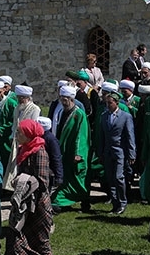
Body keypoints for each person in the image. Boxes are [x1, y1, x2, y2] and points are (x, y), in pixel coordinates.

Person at [0, 121, 54, 255]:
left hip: (38, 207)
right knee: (16, 242)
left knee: (40, 243)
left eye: (20, 132)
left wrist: (24, 181)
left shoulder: (40, 152)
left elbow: (43, 181)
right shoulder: (24, 151)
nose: (17, 135)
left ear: (30, 134)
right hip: (23, 205)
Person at [51, 88, 91, 212]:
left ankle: (83, 201)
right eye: (62, 99)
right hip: (65, 152)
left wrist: (78, 153)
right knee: (66, 179)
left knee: (78, 180)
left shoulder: (79, 114)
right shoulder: (63, 112)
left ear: (72, 99)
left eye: (66, 99)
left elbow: (81, 135)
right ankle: (64, 201)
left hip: (75, 154)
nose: (63, 101)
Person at [99, 85, 136, 215]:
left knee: (119, 177)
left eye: (110, 103)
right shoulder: (104, 116)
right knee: (110, 178)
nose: (108, 105)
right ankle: (115, 204)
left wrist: (132, 153)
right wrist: (101, 152)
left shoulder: (125, 116)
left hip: (120, 151)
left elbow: (130, 135)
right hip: (108, 152)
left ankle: (123, 202)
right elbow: (102, 136)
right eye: (107, 103)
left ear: (116, 103)